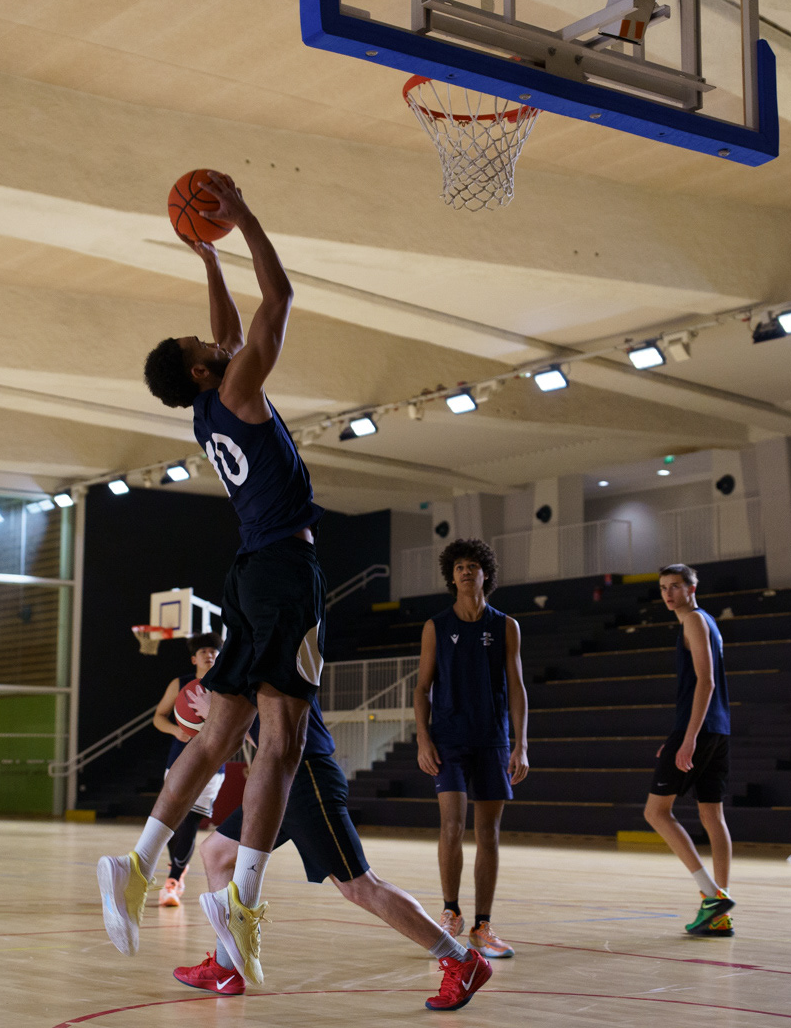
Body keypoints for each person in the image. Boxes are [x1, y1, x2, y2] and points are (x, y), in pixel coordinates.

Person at [100, 172, 325, 984]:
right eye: (201, 347)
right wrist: (247, 220)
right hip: (283, 570)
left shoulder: (207, 405)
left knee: (224, 734)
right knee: (283, 742)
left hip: (251, 571)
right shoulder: (233, 388)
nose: (210, 340)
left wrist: (208, 257)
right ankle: (243, 901)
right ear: (202, 372)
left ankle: (138, 863)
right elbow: (280, 301)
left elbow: (227, 329)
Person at [172, 695, 493, 1011]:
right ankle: (227, 968)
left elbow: (262, 728)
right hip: (277, 780)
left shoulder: (268, 665)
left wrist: (218, 716)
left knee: (359, 885)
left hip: (305, 779)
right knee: (217, 852)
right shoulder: (245, 673)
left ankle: (461, 960)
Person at [413, 537, 529, 958]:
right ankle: (451, 912)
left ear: (485, 574)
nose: (465, 571)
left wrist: (521, 744)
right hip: (448, 740)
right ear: (452, 576)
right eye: (459, 566)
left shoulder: (506, 626)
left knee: (488, 833)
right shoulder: (436, 626)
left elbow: (517, 687)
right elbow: (422, 688)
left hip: (492, 739)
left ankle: (482, 926)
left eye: (473, 566)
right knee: (451, 825)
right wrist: (423, 738)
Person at [642, 563, 736, 937]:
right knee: (712, 815)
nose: (668, 593)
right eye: (663, 587)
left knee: (656, 812)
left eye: (675, 586)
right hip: (718, 729)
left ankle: (711, 896)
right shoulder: (706, 621)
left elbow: (706, 682)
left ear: (692, 589)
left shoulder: (694, 621)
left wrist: (689, 737)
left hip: (701, 730)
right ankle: (720, 911)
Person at [151, 633, 225, 908]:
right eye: (203, 651)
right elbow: (158, 716)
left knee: (191, 820)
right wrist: (175, 730)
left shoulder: (227, 686)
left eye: (214, 650)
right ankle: (178, 868)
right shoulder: (180, 684)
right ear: (194, 658)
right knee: (172, 821)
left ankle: (172, 882)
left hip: (212, 763)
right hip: (179, 760)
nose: (209, 654)